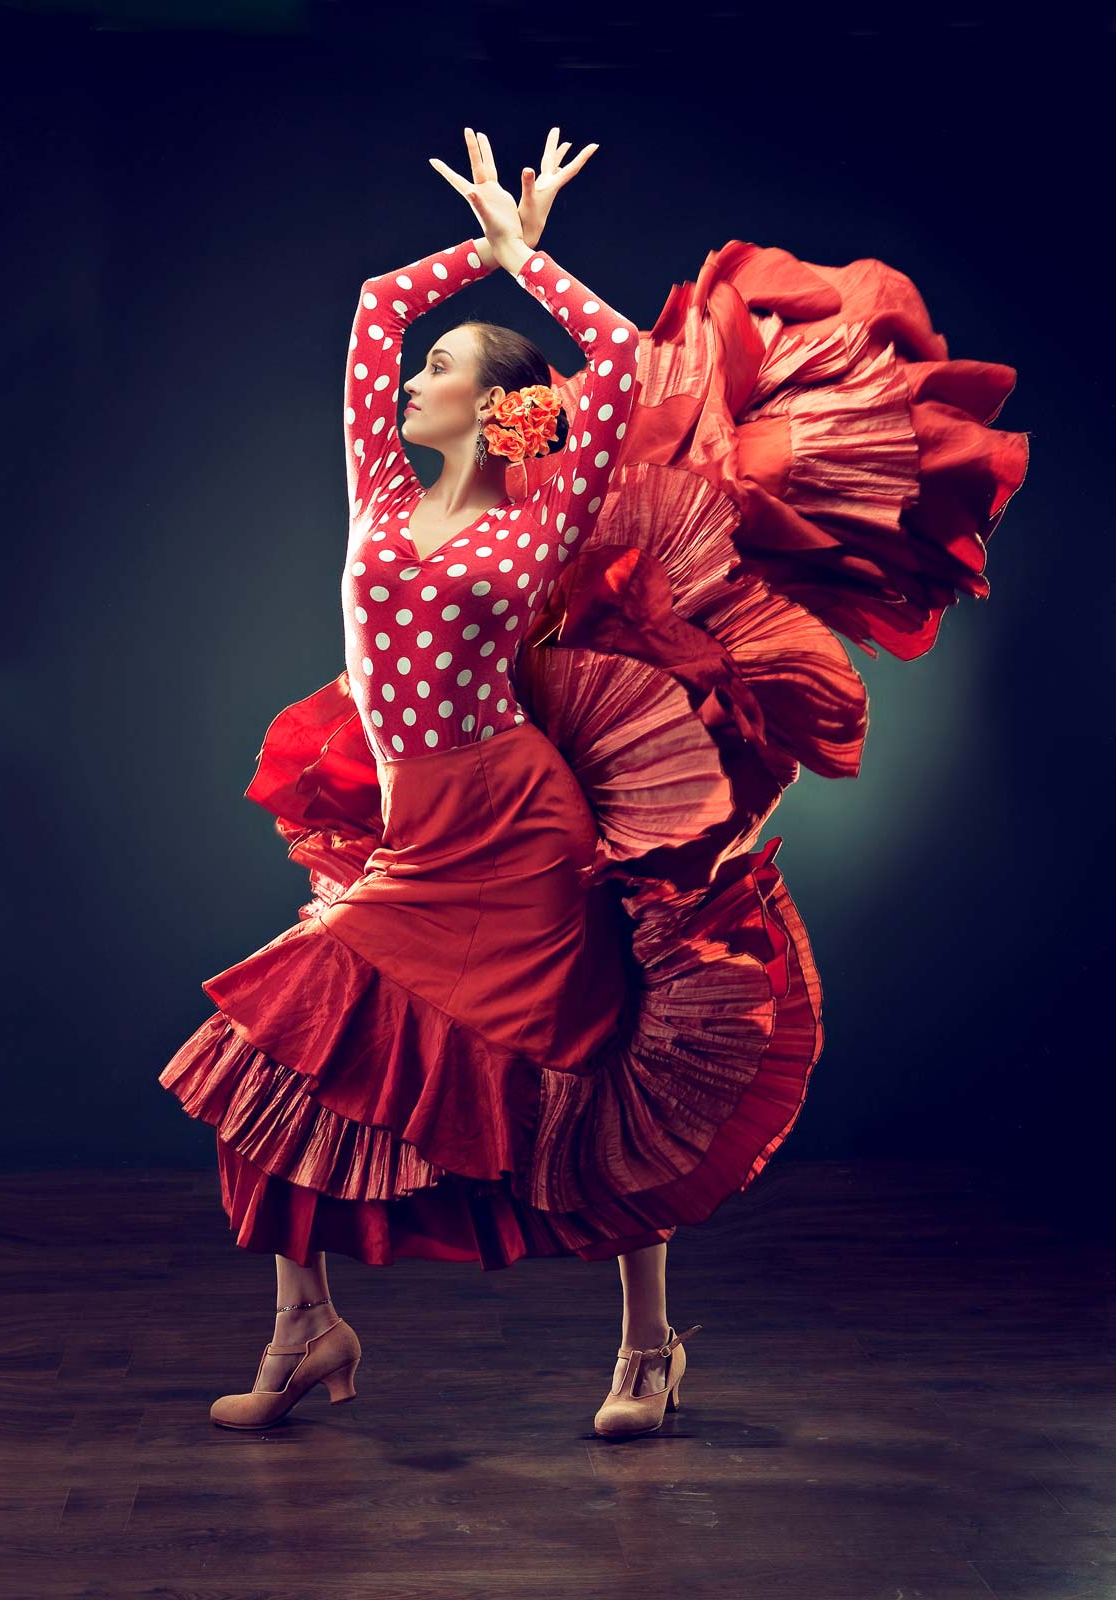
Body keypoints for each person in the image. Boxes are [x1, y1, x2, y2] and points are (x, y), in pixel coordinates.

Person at [159, 126, 1030, 1438]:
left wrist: (536, 263)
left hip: (516, 824)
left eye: (445, 368)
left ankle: (647, 1349)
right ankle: (306, 1330)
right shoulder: (379, 493)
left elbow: (617, 367)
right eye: (426, 366)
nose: (418, 378)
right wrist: (475, 251)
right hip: (417, 834)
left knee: (584, 1074)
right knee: (275, 1057)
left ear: (494, 404)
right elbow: (373, 307)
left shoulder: (538, 521)